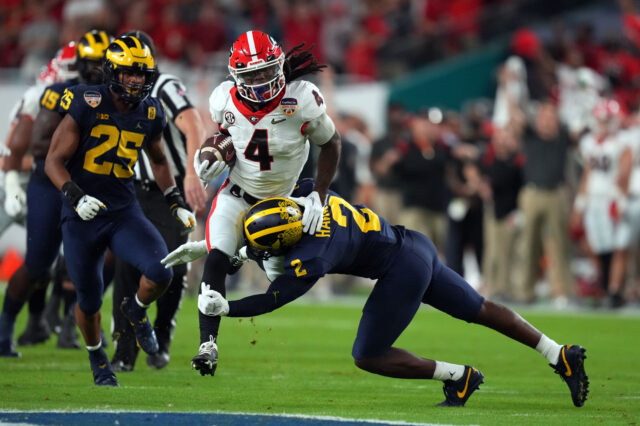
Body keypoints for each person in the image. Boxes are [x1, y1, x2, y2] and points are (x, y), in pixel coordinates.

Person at [190, 183, 589, 408]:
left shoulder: (312, 256)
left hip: (401, 269)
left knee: (367, 355)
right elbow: (308, 189)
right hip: (414, 244)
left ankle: (458, 375)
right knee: (480, 309)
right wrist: (234, 249)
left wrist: (228, 308)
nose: (259, 254)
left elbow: (273, 298)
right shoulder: (308, 200)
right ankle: (557, 353)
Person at [177, 30, 341, 376]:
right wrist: (210, 158)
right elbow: (225, 137)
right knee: (216, 256)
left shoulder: (301, 97)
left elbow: (332, 142)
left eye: (266, 70)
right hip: (238, 194)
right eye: (252, 74)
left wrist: (319, 194)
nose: (261, 79)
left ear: (279, 65)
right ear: (236, 75)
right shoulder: (223, 99)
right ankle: (208, 344)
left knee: (281, 278)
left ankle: (247, 252)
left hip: (281, 205)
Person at [44, 35, 196, 386]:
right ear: (113, 71)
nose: (136, 81)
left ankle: (136, 311)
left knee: (161, 272)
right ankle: (97, 354)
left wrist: (174, 201)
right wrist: (75, 196)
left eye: (142, 75)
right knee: (90, 299)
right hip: (81, 214)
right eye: (129, 74)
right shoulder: (87, 100)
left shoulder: (151, 109)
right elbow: (54, 161)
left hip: (123, 210)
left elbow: (158, 159)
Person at [0, 31, 113, 358]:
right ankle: (6, 328)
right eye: (92, 62)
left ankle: (78, 321)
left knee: (103, 258)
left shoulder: (118, 98)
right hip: (51, 184)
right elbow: (34, 145)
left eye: (103, 62)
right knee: (37, 264)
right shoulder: (57, 93)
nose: (97, 69)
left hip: (92, 186)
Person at [110, 30, 206, 372]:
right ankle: (124, 350)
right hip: (130, 189)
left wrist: (193, 173)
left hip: (170, 190)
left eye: (140, 67)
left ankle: (162, 334)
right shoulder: (111, 92)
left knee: (173, 267)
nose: (134, 74)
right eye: (128, 68)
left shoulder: (163, 85)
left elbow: (193, 122)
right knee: (126, 268)